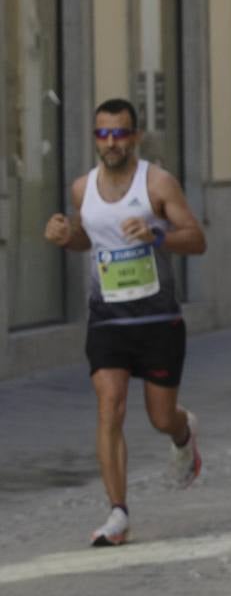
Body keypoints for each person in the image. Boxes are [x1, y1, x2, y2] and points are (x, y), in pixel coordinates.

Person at [43, 98, 207, 547]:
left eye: (119, 133)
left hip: (156, 318)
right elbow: (85, 238)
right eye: (103, 133)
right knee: (109, 406)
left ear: (134, 136)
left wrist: (157, 233)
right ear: (95, 138)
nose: (111, 142)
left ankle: (182, 432)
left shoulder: (156, 182)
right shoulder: (83, 188)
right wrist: (66, 236)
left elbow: (197, 239)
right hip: (107, 316)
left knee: (160, 417)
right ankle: (118, 513)